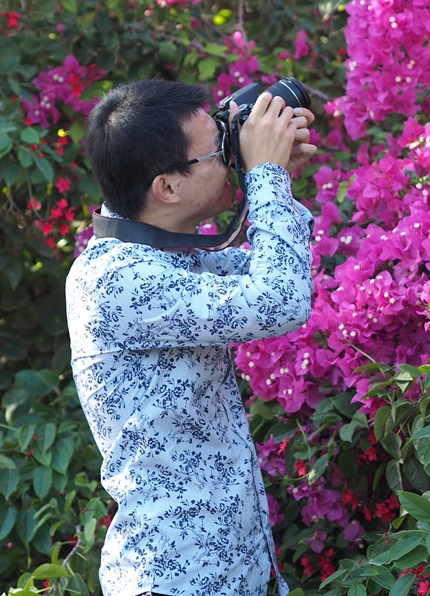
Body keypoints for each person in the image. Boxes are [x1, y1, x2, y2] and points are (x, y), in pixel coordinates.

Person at [65, 78, 316, 596]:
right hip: (179, 580)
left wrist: (278, 180)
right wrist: (265, 175)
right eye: (218, 150)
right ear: (167, 187)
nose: (232, 157)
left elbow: (272, 272)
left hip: (228, 576)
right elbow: (280, 300)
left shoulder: (158, 254)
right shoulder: (118, 279)